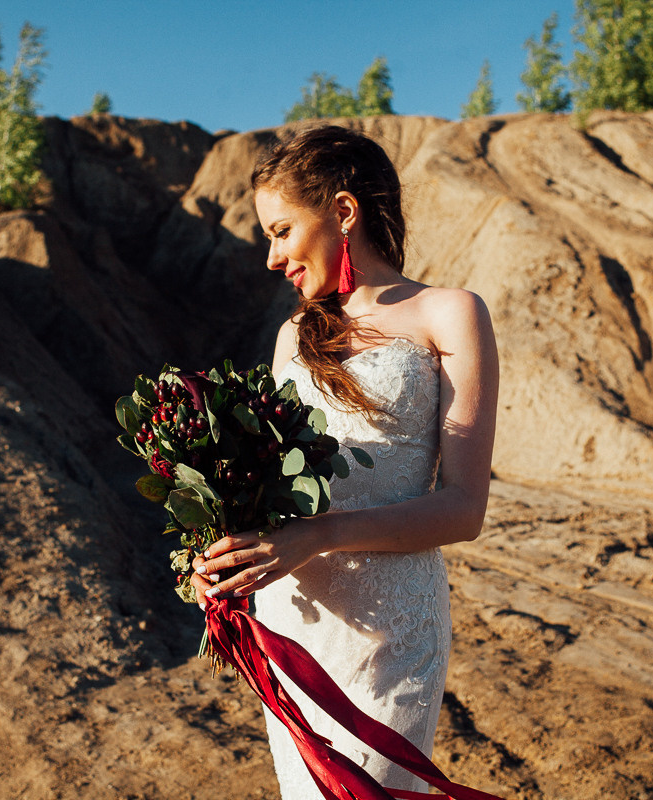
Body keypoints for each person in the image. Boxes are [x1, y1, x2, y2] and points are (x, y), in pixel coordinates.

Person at [191, 124, 498, 799]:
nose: (271, 257)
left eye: (281, 231)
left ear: (344, 212)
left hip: (393, 631)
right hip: (296, 624)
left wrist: (320, 535)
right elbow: (274, 494)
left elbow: (464, 509)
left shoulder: (451, 314)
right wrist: (223, 552)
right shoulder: (293, 337)